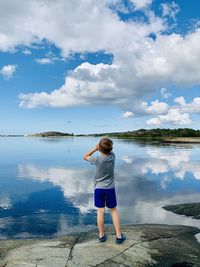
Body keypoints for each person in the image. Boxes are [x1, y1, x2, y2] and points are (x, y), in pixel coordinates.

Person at [83, 138, 126, 244]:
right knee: (113, 210)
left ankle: (101, 235)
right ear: (111, 149)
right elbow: (108, 150)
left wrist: (94, 148)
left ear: (99, 149)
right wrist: (102, 148)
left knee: (100, 211)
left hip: (99, 189)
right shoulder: (113, 156)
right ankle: (119, 235)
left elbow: (84, 156)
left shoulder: (97, 159)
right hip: (110, 188)